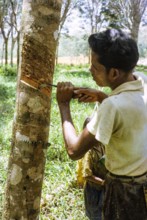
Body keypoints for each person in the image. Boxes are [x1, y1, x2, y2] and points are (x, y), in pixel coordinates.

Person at [56, 28, 147, 220]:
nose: (90, 70)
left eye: (94, 67)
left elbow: (74, 150)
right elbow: (129, 111)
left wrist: (64, 105)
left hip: (123, 191)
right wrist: (101, 96)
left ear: (114, 73)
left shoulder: (112, 107)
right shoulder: (142, 81)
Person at [76, 117, 107, 220]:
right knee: (95, 215)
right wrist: (103, 182)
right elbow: (87, 175)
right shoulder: (89, 152)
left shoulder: (102, 145)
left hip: (103, 187)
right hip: (94, 189)